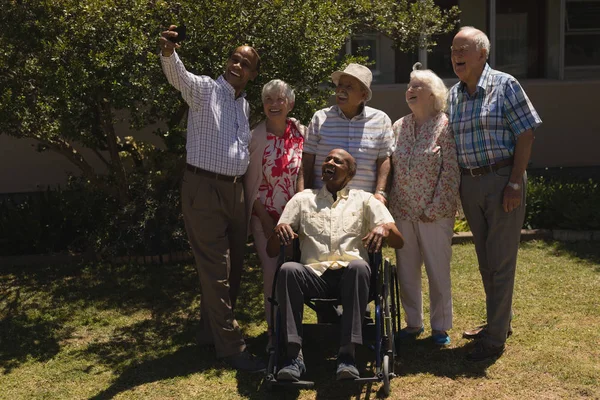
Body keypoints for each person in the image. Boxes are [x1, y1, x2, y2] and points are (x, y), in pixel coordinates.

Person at [159, 25, 265, 372]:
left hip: (234, 191)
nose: (237, 65)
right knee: (216, 269)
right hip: (203, 189)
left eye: (245, 63)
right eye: (234, 58)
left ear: (251, 74)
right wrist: (168, 50)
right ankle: (231, 347)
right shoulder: (205, 89)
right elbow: (179, 76)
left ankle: (209, 332)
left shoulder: (244, 106)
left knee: (234, 268)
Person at [266, 149, 404, 382]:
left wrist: (385, 228)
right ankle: (293, 356)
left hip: (353, 278)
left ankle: (347, 355)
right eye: (327, 159)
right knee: (288, 269)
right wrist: (278, 232)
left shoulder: (364, 199)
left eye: (337, 161)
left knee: (358, 266)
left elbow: (398, 241)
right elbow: (272, 250)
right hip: (313, 277)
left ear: (350, 173)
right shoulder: (302, 200)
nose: (329, 162)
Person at [448, 26, 542, 361]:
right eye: (453, 50)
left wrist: (515, 181)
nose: (456, 56)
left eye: (463, 49)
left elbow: (526, 133)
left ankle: (495, 338)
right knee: (486, 260)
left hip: (503, 180)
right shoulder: (453, 95)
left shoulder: (505, 85)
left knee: (501, 260)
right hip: (470, 183)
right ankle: (498, 322)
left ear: (482, 54)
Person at [389, 65, 460, 346]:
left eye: (418, 86)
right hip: (402, 212)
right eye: (409, 85)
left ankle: (440, 327)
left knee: (437, 270)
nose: (411, 90)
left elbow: (451, 171)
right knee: (406, 270)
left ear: (434, 94)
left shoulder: (445, 126)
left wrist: (434, 207)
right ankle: (413, 323)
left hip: (435, 214)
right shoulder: (399, 126)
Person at [244, 79, 305, 346]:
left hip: (298, 222)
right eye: (268, 100)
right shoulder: (255, 137)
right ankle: (273, 333)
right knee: (272, 274)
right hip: (266, 220)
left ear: (290, 103)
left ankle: (294, 331)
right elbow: (250, 183)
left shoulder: (302, 132)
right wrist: (267, 220)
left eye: (280, 99)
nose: (274, 104)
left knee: (296, 274)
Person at [302, 63, 395, 204]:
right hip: (322, 202)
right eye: (340, 85)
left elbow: (384, 160)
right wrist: (302, 195)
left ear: (363, 95)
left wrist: (380, 193)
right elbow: (307, 160)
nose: (341, 90)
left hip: (365, 204)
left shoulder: (380, 120)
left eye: (349, 87)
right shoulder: (320, 118)